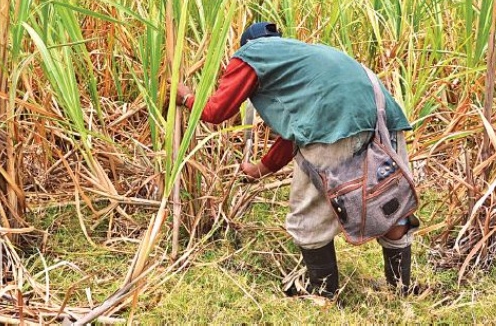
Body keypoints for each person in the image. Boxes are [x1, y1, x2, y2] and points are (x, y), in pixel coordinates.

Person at [175, 21, 419, 298]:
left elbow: (216, 112)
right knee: (390, 201)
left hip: (333, 122)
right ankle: (401, 288)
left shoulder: (252, 53)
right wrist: (259, 169)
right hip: (385, 117)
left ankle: (323, 293)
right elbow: (297, 133)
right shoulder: (304, 57)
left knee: (308, 215)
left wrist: (186, 97)